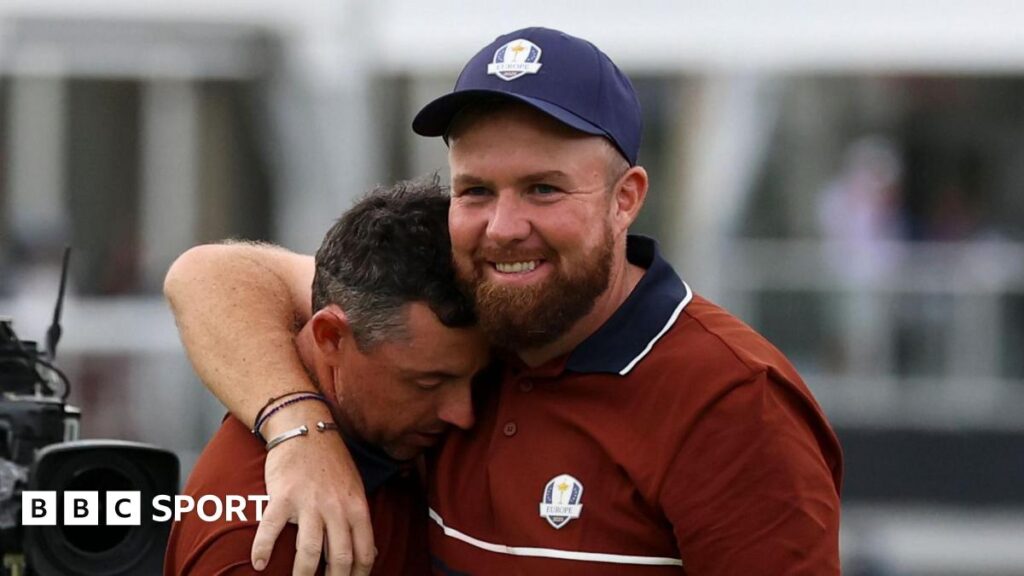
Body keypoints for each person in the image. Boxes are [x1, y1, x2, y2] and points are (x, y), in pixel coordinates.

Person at [164, 27, 843, 575]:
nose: (504, 226)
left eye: (544, 189)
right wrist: (299, 432)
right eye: (476, 191)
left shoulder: (733, 403)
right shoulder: (466, 320)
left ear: (625, 199)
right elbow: (209, 275)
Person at [163, 179, 490, 575]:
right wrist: (298, 427)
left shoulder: (390, 433)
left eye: (478, 380)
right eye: (427, 383)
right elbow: (201, 273)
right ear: (331, 338)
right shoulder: (266, 541)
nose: (463, 414)